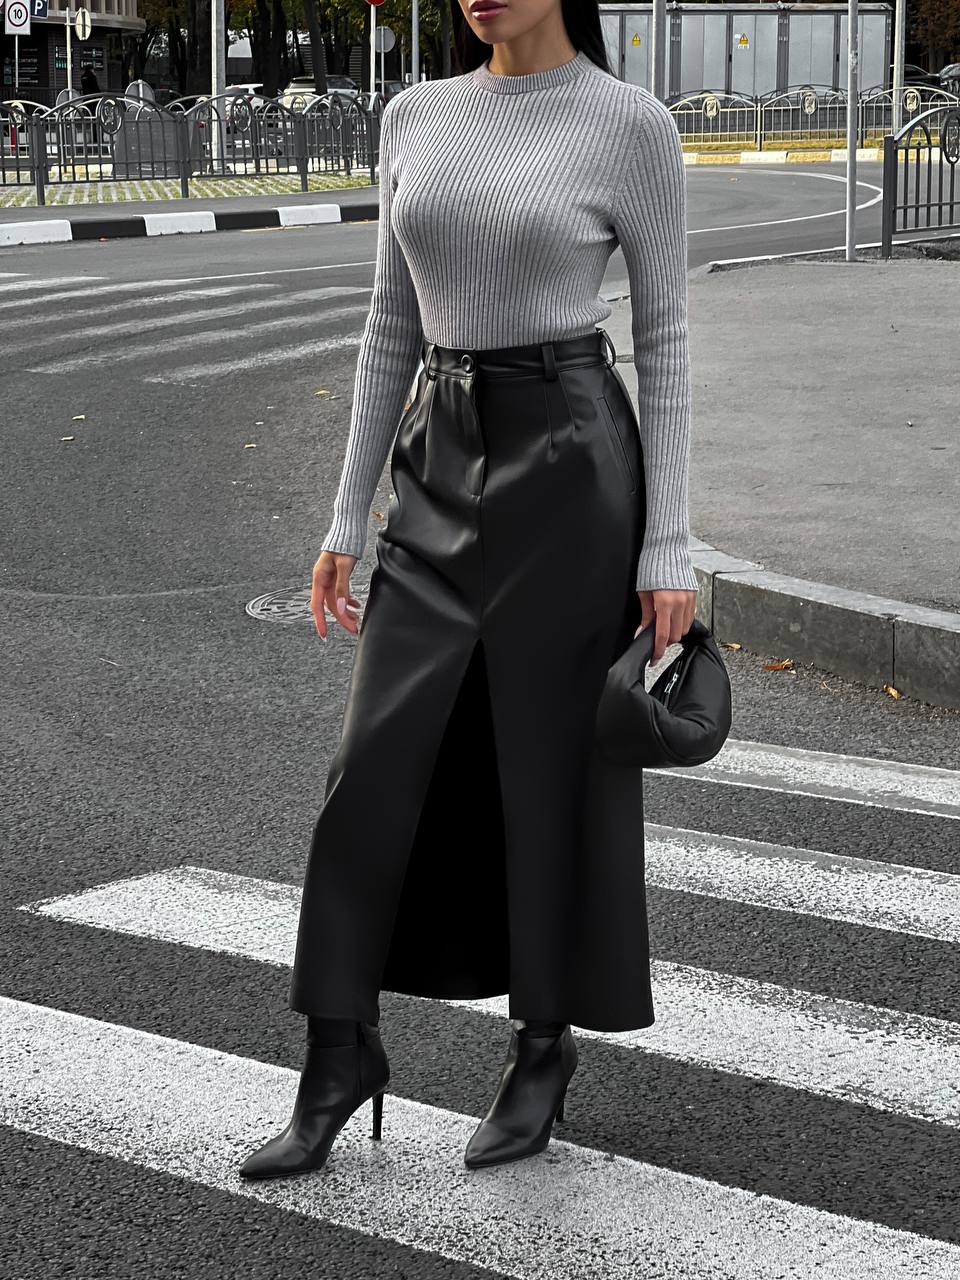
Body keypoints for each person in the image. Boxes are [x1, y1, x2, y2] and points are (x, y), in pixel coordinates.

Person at [239, 0, 698, 1180]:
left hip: (571, 458)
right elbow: (387, 325)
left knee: (547, 772)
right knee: (368, 769)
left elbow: (666, 338)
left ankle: (541, 1045)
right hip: (435, 460)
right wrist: (346, 514)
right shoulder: (417, 115)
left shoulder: (629, 125)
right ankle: (338, 1049)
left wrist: (669, 543)